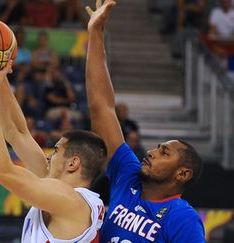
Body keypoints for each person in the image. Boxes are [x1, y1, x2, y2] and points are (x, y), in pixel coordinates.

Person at [85, 0, 205, 242]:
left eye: (164, 153)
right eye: (157, 148)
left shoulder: (183, 218)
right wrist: (95, 34)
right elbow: (102, 108)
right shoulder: (128, 173)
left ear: (182, 174)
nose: (151, 152)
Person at [0, 46, 106, 242]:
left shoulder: (71, 201)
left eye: (55, 151)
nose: (47, 156)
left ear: (73, 163)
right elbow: (16, 131)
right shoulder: (56, 189)